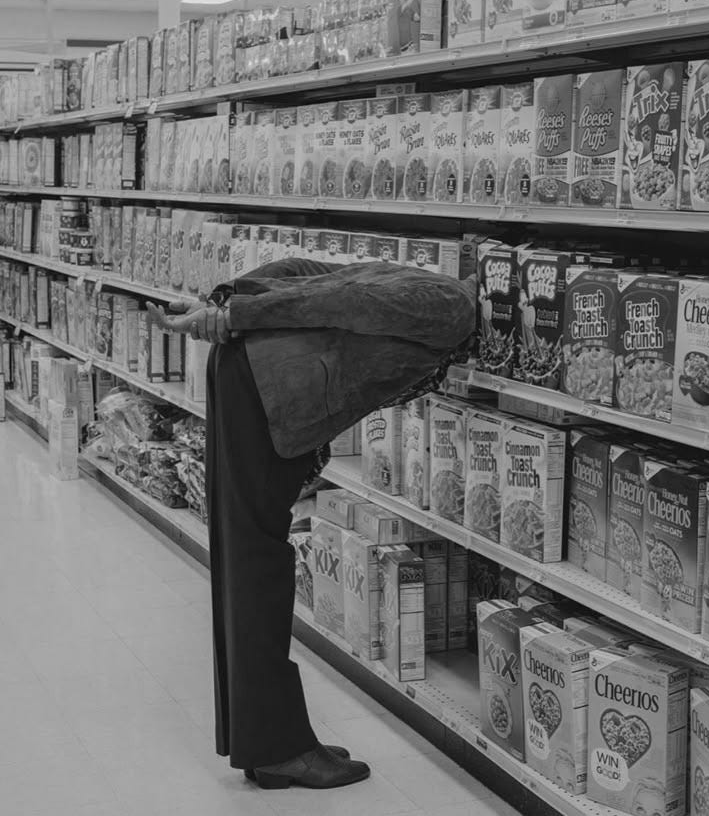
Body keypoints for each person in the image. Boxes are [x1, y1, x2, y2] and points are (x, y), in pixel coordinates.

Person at [147, 256, 476, 790]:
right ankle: (281, 750)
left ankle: (263, 739)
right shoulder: (451, 309)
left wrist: (228, 300)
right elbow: (342, 302)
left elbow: (306, 272)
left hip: (249, 372)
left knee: (243, 556)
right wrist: (235, 314)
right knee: (258, 564)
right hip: (266, 388)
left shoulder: (414, 277)